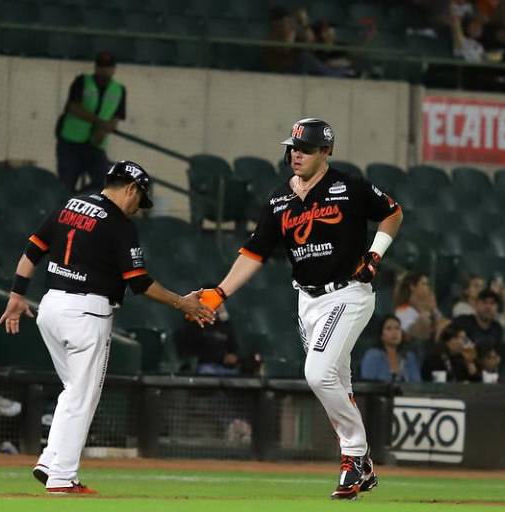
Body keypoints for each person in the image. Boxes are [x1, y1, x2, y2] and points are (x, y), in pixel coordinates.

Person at [194, 118, 403, 500]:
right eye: (293, 147)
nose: (296, 154)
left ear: (326, 152)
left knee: (318, 374)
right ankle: (362, 466)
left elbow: (392, 212)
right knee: (336, 383)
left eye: (305, 148)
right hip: (308, 300)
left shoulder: (348, 186)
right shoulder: (278, 199)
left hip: (348, 293)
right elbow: (254, 252)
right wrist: (220, 292)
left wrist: (375, 255)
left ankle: (354, 455)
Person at [0, 160, 213, 495]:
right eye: (139, 200)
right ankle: (63, 477)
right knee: (82, 396)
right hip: (87, 313)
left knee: (73, 390)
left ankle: (50, 458)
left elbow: (31, 252)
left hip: (50, 307)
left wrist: (16, 294)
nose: (138, 208)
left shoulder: (70, 206)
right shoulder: (118, 224)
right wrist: (182, 302)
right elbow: (139, 282)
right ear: (131, 188)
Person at [55, 51, 126, 194]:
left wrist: (104, 130)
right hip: (71, 143)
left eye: (108, 67)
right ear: (96, 68)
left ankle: (79, 198)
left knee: (105, 183)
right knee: (65, 184)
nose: (104, 70)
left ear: (113, 70)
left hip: (95, 145)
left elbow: (116, 118)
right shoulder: (82, 81)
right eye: (101, 66)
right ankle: (68, 203)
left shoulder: (119, 90)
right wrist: (99, 122)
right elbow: (73, 107)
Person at [174, 301, 239, 376]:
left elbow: (234, 348)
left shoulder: (225, 326)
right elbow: (191, 351)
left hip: (224, 368)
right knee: (207, 372)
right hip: (204, 366)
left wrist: (232, 357)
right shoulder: (195, 325)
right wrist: (221, 358)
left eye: (219, 306)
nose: (217, 308)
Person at [360, 315, 421, 383]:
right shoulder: (373, 355)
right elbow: (368, 384)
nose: (394, 332)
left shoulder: (409, 357)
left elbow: (417, 383)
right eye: (389, 329)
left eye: (397, 328)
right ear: (381, 335)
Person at [394, 272, 445, 343]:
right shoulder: (402, 310)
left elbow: (444, 325)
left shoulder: (430, 306)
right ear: (412, 287)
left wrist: (432, 310)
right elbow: (410, 336)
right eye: (424, 284)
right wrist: (426, 312)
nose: (428, 287)